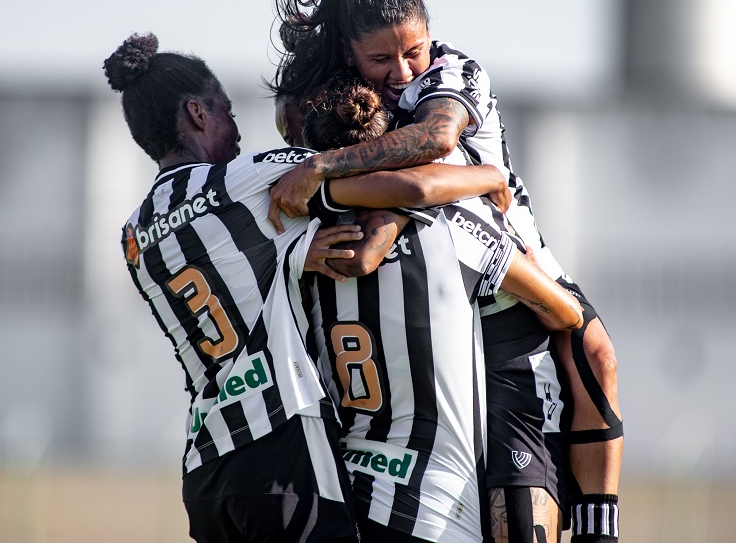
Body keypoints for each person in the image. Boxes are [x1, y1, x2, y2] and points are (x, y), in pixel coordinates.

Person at [105, 32, 519, 542]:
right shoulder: (243, 180)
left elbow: (234, 275)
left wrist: (298, 255)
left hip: (205, 467)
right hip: (279, 450)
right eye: (226, 110)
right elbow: (404, 184)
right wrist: (485, 175)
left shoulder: (132, 233)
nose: (237, 129)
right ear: (197, 113)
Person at [268, 0, 622, 543]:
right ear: (350, 54)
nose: (403, 71)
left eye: (415, 51)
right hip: (435, 310)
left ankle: (600, 525)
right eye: (382, 60)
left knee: (594, 351)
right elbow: (297, 127)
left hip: (508, 283)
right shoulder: (344, 94)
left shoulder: (454, 72)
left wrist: (323, 170)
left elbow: (433, 146)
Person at [297, 78, 585, 542]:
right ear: (390, 149)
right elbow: (566, 314)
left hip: (344, 497)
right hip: (436, 508)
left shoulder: (297, 244)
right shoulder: (450, 224)